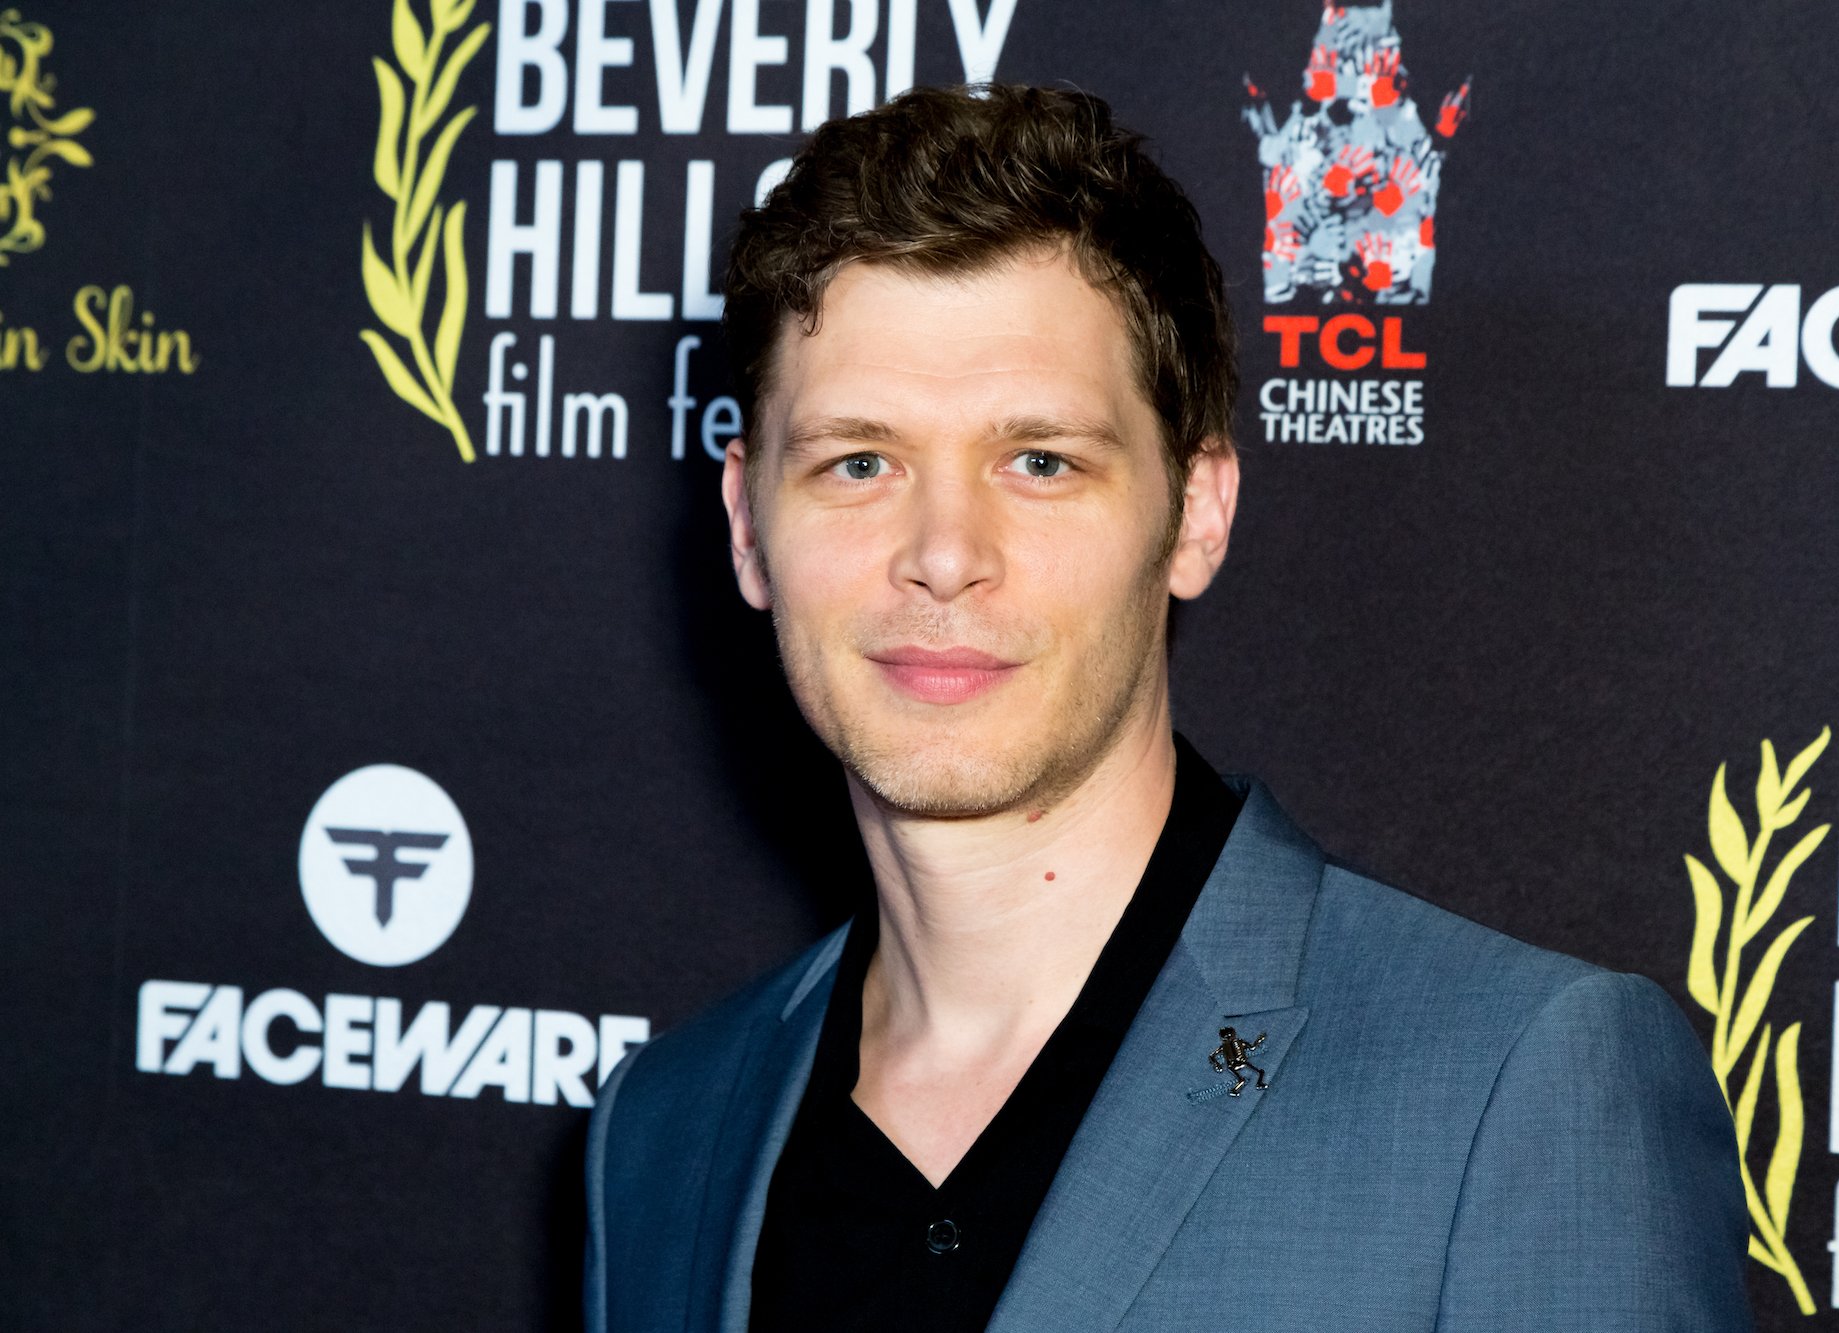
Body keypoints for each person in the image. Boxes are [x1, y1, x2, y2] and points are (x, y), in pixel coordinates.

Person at [584, 84, 1751, 1333]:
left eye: (1039, 461)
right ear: (747, 527)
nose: (940, 551)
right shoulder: (666, 1122)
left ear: (1195, 511)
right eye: (857, 462)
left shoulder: (1512, 1089)